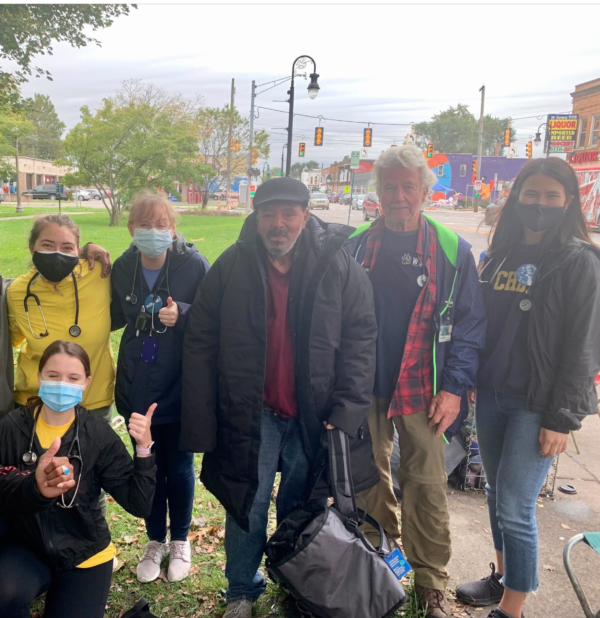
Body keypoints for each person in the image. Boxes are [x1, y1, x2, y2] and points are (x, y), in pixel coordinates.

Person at [181, 177, 379, 618]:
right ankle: (241, 592)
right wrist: (201, 417)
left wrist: (347, 408)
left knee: (304, 505)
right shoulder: (231, 266)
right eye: (268, 214)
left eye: (288, 213)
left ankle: (296, 585)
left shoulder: (338, 265)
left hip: (315, 414)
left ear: (306, 216)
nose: (278, 224)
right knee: (245, 504)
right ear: (256, 218)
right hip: (252, 413)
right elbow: (200, 340)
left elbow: (362, 336)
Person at [345, 145, 487, 618]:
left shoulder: (452, 250)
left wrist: (453, 388)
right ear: (379, 192)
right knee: (367, 476)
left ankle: (430, 582)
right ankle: (380, 560)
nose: (399, 195)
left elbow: (469, 327)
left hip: (424, 390)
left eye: (409, 186)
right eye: (390, 186)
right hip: (364, 383)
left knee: (425, 483)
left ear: (426, 192)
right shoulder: (357, 244)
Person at [455, 158, 600, 618]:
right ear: (517, 198)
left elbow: (583, 345)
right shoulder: (501, 252)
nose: (539, 204)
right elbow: (485, 323)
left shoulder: (579, 261)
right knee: (497, 495)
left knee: (516, 506)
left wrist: (563, 418)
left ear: (568, 202)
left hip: (537, 404)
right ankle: (501, 579)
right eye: (531, 195)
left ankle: (512, 609)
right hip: (494, 392)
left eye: (550, 197)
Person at [0, 339, 156, 618]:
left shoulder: (98, 436)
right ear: (39, 377)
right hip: (26, 548)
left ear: (86, 383)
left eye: (73, 378)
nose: (62, 385)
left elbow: (139, 504)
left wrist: (144, 449)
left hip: (85, 555)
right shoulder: (11, 428)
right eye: (53, 376)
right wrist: (33, 486)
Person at [111, 190, 209, 584]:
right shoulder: (122, 267)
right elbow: (112, 315)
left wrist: (181, 313)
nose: (154, 232)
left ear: (173, 228)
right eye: (145, 225)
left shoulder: (194, 265)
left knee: (180, 466)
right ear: (132, 228)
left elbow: (212, 316)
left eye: (162, 224)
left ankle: (181, 540)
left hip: (180, 385)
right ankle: (155, 540)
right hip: (138, 383)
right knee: (147, 463)